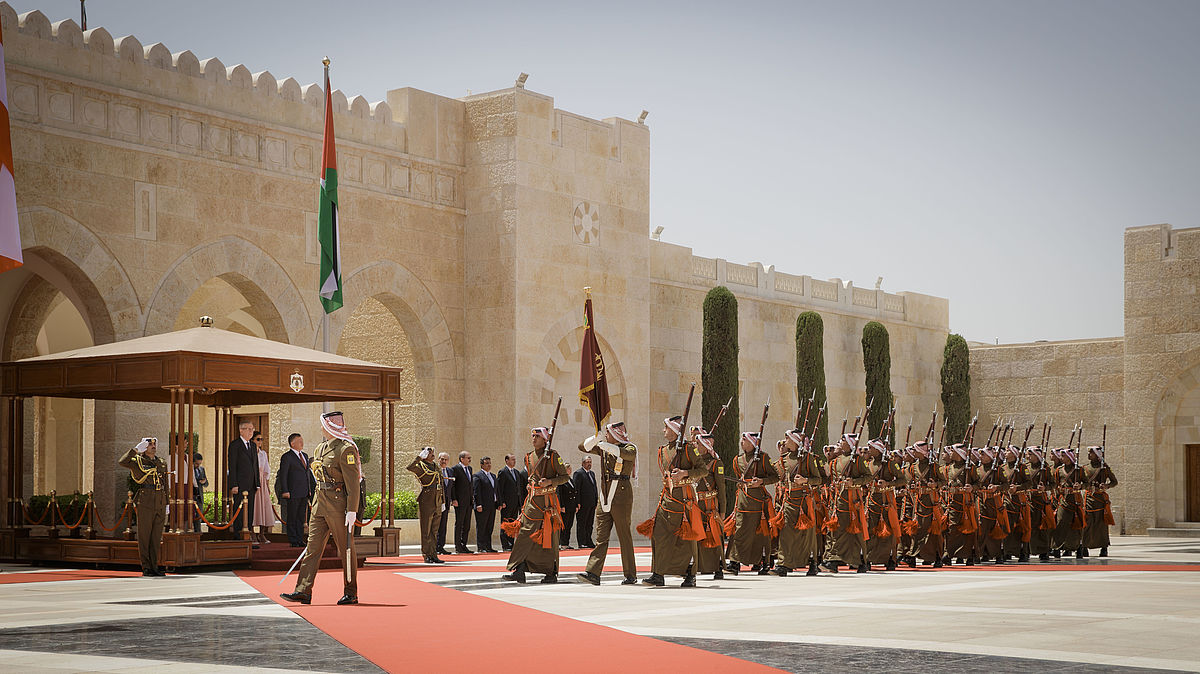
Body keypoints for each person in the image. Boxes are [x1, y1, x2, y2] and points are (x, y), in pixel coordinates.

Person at [281, 411, 363, 606]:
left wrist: (352, 510)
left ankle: (351, 592)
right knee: (312, 548)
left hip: (338, 506)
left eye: (323, 425)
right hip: (320, 505)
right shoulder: (320, 448)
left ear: (330, 426)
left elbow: (353, 483)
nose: (320, 428)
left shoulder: (346, 449)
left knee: (346, 549)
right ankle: (303, 590)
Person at [643, 416, 709, 588]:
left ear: (673, 430)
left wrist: (685, 473)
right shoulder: (662, 450)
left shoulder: (689, 449)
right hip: (666, 499)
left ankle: (690, 573)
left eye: (665, 428)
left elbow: (703, 471)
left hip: (684, 499)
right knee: (658, 535)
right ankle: (658, 573)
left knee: (686, 540)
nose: (663, 431)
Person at [502, 427, 569, 584]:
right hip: (532, 503)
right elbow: (531, 477)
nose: (533, 439)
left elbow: (565, 477)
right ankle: (519, 569)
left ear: (545, 439)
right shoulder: (528, 456)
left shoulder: (553, 456)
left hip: (548, 504)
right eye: (532, 436)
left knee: (549, 538)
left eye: (537, 436)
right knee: (524, 534)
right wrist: (531, 484)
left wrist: (550, 481)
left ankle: (551, 572)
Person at [577, 422, 638, 585]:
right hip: (604, 496)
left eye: (608, 433)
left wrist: (603, 444)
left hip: (621, 496)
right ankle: (593, 572)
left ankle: (630, 574)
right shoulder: (604, 448)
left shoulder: (630, 447)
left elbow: (625, 454)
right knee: (601, 537)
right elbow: (582, 447)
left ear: (617, 434)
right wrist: (594, 439)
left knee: (624, 536)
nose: (606, 436)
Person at [773, 429, 826, 577]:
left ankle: (813, 562)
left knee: (808, 534)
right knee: (786, 532)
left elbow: (818, 480)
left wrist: (805, 481)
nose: (785, 442)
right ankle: (783, 564)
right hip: (789, 500)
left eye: (787, 439)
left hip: (804, 500)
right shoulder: (783, 459)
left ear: (795, 442)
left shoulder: (807, 458)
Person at [726, 431, 779, 575]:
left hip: (758, 502)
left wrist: (762, 481)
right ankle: (734, 563)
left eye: (745, 440)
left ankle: (765, 563)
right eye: (741, 440)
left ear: (752, 442)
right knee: (739, 531)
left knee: (761, 535)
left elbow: (775, 476)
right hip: (743, 501)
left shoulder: (763, 458)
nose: (741, 443)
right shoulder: (737, 460)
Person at [824, 434, 873, 573]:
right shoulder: (835, 461)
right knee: (837, 530)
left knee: (856, 532)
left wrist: (854, 482)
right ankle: (833, 559)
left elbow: (868, 477)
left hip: (853, 500)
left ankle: (860, 561)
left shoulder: (857, 461)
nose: (840, 443)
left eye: (843, 441)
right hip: (838, 500)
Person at [119, 437, 167, 576]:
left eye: (154, 444)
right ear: (144, 446)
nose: (153, 446)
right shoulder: (138, 461)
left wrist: (167, 502)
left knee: (156, 537)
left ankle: (155, 565)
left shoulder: (161, 462)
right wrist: (135, 450)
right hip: (145, 500)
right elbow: (122, 461)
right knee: (145, 536)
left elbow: (166, 483)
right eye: (149, 444)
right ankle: (146, 567)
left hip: (160, 500)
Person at [406, 446, 445, 563]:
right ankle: (426, 554)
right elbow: (410, 467)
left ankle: (433, 554)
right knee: (426, 530)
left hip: (437, 500)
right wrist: (419, 457)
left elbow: (441, 483)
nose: (432, 454)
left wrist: (443, 500)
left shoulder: (435, 466)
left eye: (432, 452)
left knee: (434, 530)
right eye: (429, 452)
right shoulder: (421, 466)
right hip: (427, 499)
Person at [276, 433, 314, 548]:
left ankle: (299, 538)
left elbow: (307, 474)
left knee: (301, 517)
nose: (302, 443)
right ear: (292, 443)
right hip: (292, 492)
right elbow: (284, 475)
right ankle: (293, 540)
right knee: (292, 517)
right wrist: (285, 490)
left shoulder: (305, 456)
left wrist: (309, 489)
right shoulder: (287, 457)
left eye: (302, 440)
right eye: (299, 441)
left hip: (304, 492)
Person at [1083, 446, 1118, 557]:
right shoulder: (1085, 468)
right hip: (1088, 498)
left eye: (1091, 453)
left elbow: (1114, 481)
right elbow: (1082, 481)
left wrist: (1106, 486)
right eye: (1088, 453)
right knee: (1087, 523)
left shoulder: (1105, 468)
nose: (1089, 455)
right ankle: (1084, 546)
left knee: (1101, 524)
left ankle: (1104, 547)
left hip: (1100, 499)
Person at [227, 420, 259, 537]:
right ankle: (238, 535)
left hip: (251, 485)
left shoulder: (253, 445)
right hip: (240, 485)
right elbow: (232, 466)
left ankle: (248, 534)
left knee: (250, 511)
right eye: (249, 429)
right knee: (239, 511)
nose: (251, 432)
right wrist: (233, 484)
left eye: (252, 429)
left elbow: (255, 466)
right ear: (241, 430)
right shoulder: (235, 445)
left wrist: (258, 483)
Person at [473, 457, 500, 553]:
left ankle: (488, 546)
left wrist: (498, 503)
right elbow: (476, 492)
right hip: (482, 506)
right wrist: (478, 504)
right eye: (486, 463)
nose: (489, 465)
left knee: (489, 526)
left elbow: (496, 491)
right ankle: (481, 546)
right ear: (482, 465)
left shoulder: (493, 476)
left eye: (490, 463)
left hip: (492, 505)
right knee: (481, 526)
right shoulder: (477, 476)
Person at [497, 453, 524, 551]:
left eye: (514, 459)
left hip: (516, 503)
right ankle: (505, 545)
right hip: (506, 504)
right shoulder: (503, 472)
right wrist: (501, 502)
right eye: (512, 459)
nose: (514, 461)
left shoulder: (517, 472)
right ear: (507, 461)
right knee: (505, 523)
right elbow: (499, 489)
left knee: (513, 524)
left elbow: (519, 489)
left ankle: (511, 544)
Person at [252, 432, 275, 544]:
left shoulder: (263, 454)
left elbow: (266, 470)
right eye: (258, 439)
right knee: (254, 508)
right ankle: (252, 534)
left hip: (262, 482)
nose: (260, 441)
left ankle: (262, 534)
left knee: (264, 507)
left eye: (261, 439)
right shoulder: (250, 453)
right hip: (252, 482)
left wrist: (267, 485)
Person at [450, 451, 474, 553]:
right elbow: (453, 486)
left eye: (470, 458)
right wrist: (454, 499)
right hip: (459, 501)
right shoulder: (455, 469)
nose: (469, 460)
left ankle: (464, 544)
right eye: (468, 458)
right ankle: (458, 546)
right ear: (462, 459)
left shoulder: (469, 469)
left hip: (468, 501)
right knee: (459, 523)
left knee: (467, 524)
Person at [573, 456, 597, 548]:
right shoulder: (578, 473)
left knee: (589, 524)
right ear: (583, 463)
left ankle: (588, 541)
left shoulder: (592, 474)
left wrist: (595, 501)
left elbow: (594, 488)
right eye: (587, 462)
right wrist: (577, 502)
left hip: (591, 503)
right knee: (582, 524)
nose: (589, 464)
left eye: (590, 462)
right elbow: (576, 489)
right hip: (582, 504)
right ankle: (582, 542)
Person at [557, 462, 578, 549]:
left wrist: (576, 505)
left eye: (570, 468)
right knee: (564, 525)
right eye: (568, 468)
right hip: (565, 506)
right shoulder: (561, 480)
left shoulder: (571, 480)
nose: (570, 470)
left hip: (571, 506)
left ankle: (566, 543)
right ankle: (562, 543)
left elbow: (575, 493)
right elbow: (559, 494)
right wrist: (561, 506)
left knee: (569, 525)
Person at [436, 452, 452, 555]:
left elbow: (452, 487)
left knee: (443, 525)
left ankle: (441, 546)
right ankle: (435, 546)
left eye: (446, 460)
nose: (444, 461)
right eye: (442, 459)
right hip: (437, 502)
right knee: (436, 525)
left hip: (446, 502)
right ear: (438, 460)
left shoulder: (450, 471)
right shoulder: (435, 471)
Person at [192, 452, 208, 533]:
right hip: (192, 496)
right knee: (192, 517)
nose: (198, 465)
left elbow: (206, 483)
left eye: (199, 463)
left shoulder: (202, 469)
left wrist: (204, 481)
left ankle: (198, 533)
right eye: (196, 463)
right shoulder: (189, 470)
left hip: (199, 497)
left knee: (199, 517)